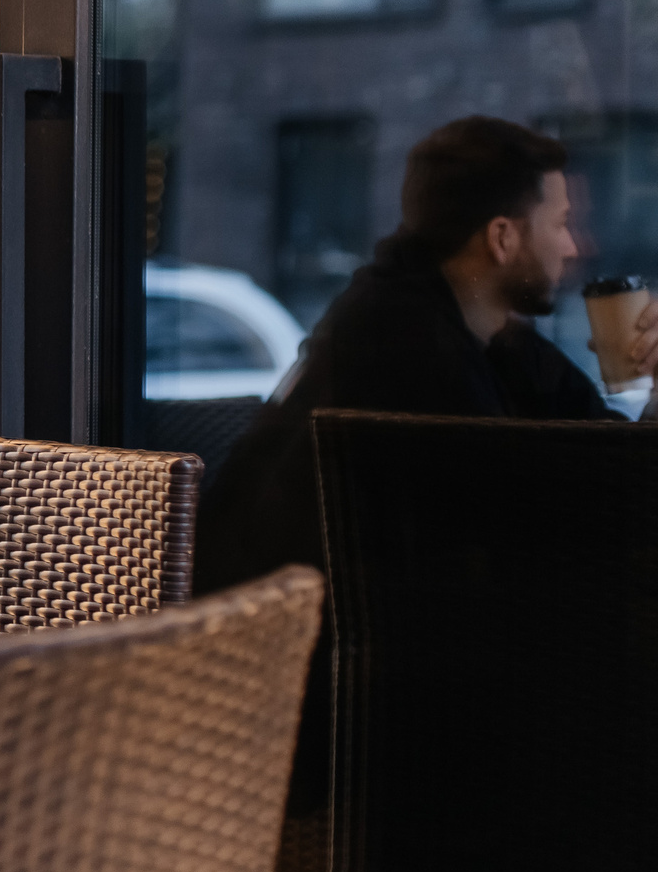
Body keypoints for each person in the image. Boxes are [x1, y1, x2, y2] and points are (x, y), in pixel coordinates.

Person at [196, 114, 658, 592]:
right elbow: (580, 521)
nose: (578, 246)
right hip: (280, 646)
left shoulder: (488, 334)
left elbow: (609, 461)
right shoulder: (409, 346)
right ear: (503, 238)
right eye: (563, 224)